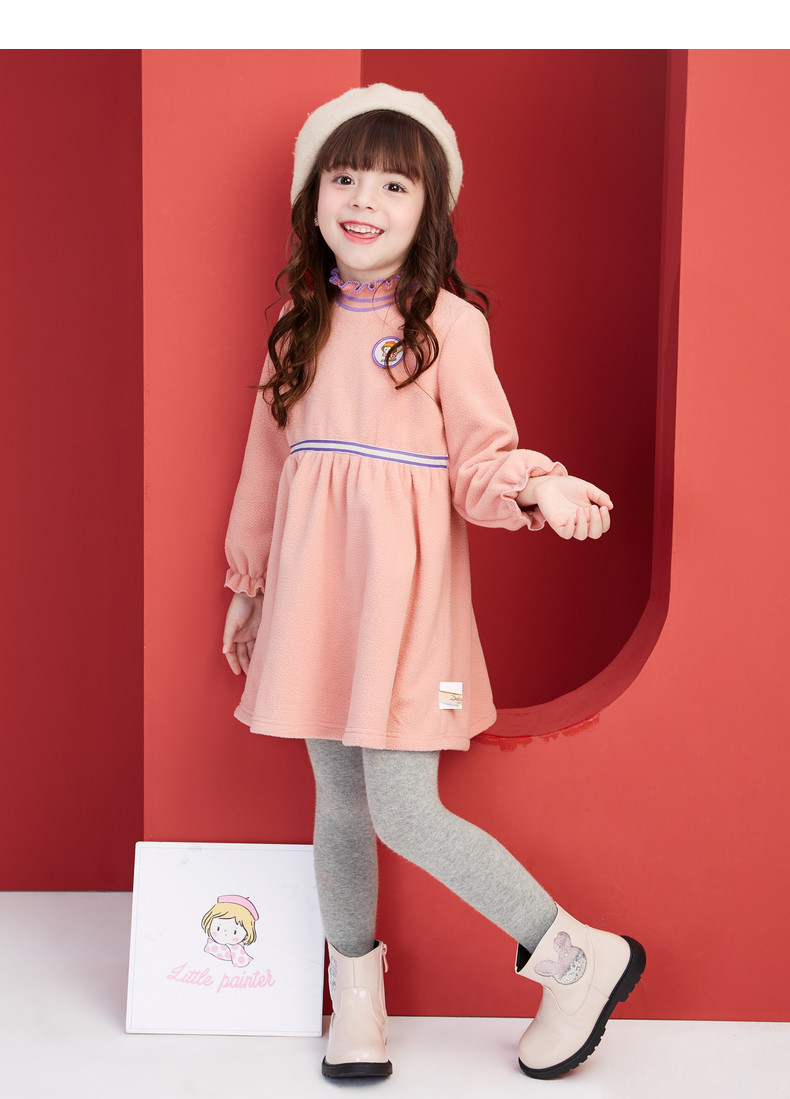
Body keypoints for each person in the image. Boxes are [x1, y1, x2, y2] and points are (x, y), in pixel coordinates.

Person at [221, 84, 645, 1081]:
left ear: (429, 210)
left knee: (403, 808)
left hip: (404, 609)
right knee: (337, 799)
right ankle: (358, 1003)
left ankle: (575, 958)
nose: (363, 200)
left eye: (393, 184)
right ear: (313, 199)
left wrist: (540, 485)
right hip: (313, 602)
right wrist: (250, 583)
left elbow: (481, 461)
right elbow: (267, 464)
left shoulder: (448, 325)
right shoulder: (296, 323)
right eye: (344, 178)